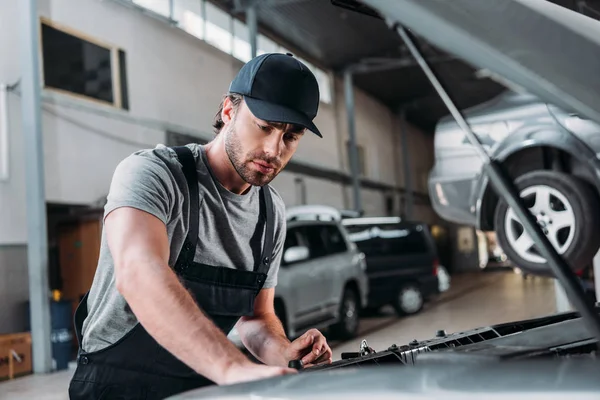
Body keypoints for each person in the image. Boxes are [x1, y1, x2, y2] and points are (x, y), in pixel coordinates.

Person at [68, 53, 333, 400]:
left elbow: (255, 318)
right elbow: (138, 273)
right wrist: (233, 368)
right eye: (264, 126)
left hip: (200, 387)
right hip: (115, 386)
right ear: (228, 112)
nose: (273, 150)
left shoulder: (272, 214)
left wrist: (285, 353)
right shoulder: (154, 174)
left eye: (291, 137)